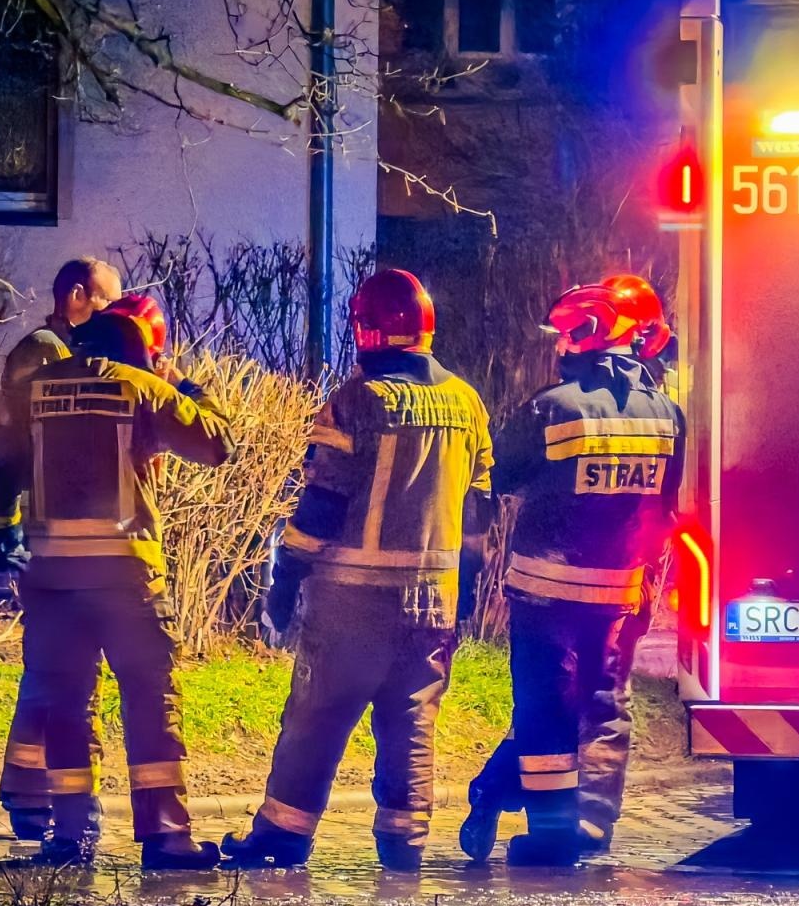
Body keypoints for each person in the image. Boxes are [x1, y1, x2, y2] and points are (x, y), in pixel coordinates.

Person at [222, 270, 493, 874]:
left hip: (353, 602)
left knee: (317, 716)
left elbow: (323, 503)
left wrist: (286, 576)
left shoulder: (356, 400)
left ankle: (282, 838)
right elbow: (477, 509)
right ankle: (405, 847)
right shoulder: (467, 402)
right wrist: (466, 588)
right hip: (434, 602)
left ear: (366, 330)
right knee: (412, 721)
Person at [0, 305, 234, 868]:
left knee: (66, 704)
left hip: (53, 583)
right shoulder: (142, 387)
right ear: (141, 349)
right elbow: (218, 444)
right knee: (150, 701)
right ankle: (167, 837)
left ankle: (71, 837)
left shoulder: (33, 389)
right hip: (127, 580)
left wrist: (2, 533)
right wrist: (186, 384)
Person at [459, 274, 677, 862]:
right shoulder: (668, 415)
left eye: (567, 334)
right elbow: (670, 502)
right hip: (619, 594)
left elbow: (500, 476)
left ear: (587, 336)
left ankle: (549, 832)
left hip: (545, 597)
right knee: (602, 704)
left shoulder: (551, 409)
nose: (559, 345)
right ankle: (586, 826)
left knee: (544, 708)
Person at [0, 257, 124, 843]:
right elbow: (12, 444)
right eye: (106, 302)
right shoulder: (45, 351)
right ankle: (33, 796)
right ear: (76, 295)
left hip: (61, 533)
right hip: (54, 536)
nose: (113, 315)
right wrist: (5, 528)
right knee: (53, 667)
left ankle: (28, 792)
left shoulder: (58, 349)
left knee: (54, 666)